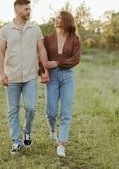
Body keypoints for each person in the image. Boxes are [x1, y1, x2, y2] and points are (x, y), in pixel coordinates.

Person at [0, 0, 49, 155]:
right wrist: (1, 73)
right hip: (11, 77)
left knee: (31, 108)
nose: (29, 11)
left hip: (30, 76)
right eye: (26, 9)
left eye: (29, 9)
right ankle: (16, 142)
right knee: (12, 110)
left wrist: (45, 70)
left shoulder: (35, 29)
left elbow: (42, 50)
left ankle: (27, 131)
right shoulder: (5, 30)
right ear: (17, 10)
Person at [39, 10, 81, 158]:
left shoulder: (75, 39)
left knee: (66, 112)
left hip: (68, 76)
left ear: (66, 21)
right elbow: (41, 57)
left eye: (59, 18)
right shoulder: (48, 38)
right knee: (51, 111)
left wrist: (58, 62)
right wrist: (42, 72)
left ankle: (61, 145)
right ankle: (52, 131)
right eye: (56, 17)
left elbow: (76, 59)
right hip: (52, 77)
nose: (56, 20)